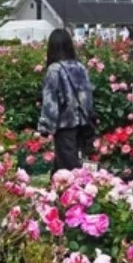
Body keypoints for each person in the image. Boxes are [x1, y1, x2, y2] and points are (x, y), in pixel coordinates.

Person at [39, 29, 95, 172]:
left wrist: (45, 128)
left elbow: (50, 102)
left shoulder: (54, 70)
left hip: (64, 124)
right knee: (69, 162)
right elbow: (87, 96)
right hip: (82, 123)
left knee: (69, 168)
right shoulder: (80, 67)